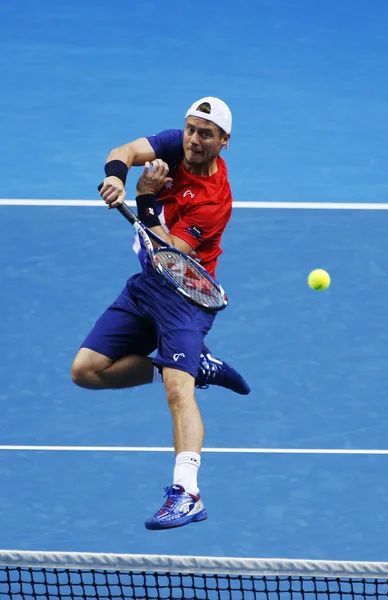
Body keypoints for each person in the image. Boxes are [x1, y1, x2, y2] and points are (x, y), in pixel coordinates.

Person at [71, 97, 249, 530]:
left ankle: (187, 492)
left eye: (205, 134)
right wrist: (116, 178)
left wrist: (145, 198)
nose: (193, 139)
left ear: (224, 141)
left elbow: (169, 257)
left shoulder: (214, 201)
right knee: (86, 370)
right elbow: (125, 152)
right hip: (147, 289)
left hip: (185, 296)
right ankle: (192, 364)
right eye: (190, 129)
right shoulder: (175, 145)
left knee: (177, 391)